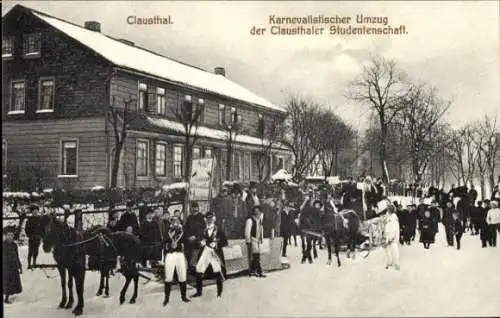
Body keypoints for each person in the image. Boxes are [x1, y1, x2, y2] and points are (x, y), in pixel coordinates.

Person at [193, 212, 228, 298]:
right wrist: (200, 243)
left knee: (217, 270)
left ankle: (219, 293)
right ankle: (199, 292)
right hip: (205, 251)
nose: (209, 220)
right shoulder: (202, 231)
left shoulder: (219, 231)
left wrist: (216, 245)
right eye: (207, 219)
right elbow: (198, 241)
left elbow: (225, 242)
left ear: (214, 219)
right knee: (199, 269)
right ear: (205, 220)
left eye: (211, 218)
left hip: (214, 252)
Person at [162, 216, 190, 306]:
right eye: (173, 221)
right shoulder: (168, 231)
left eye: (177, 220)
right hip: (170, 255)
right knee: (168, 276)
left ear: (179, 221)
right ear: (171, 222)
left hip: (180, 254)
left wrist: (182, 245)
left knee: (182, 275)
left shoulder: (183, 231)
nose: (175, 222)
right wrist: (170, 245)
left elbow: (186, 242)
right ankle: (166, 298)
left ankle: (184, 296)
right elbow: (163, 243)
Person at [184, 202, 206, 272]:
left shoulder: (201, 217)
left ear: (198, 208)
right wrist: (188, 236)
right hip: (190, 240)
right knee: (188, 253)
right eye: (193, 208)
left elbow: (203, 228)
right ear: (191, 208)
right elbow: (186, 228)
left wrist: (196, 236)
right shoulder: (189, 217)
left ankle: (197, 268)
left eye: (196, 207)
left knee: (197, 253)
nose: (194, 209)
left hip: (198, 239)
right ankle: (191, 268)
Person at [3, 226, 22, 304]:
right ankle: (6, 298)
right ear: (5, 236)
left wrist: (19, 265)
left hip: (13, 265)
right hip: (5, 266)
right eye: (8, 235)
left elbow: (17, 256)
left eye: (11, 235)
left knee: (13, 281)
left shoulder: (14, 245)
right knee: (7, 281)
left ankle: (9, 295)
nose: (10, 237)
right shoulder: (3, 245)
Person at [245, 206, 266, 277]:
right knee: (256, 255)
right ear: (253, 212)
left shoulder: (259, 220)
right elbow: (247, 231)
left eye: (258, 211)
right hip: (252, 238)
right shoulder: (250, 220)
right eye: (256, 211)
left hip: (257, 239)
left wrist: (261, 239)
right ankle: (259, 271)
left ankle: (253, 270)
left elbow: (261, 230)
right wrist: (248, 241)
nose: (257, 212)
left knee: (255, 255)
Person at [25, 204, 43, 269]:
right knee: (30, 251)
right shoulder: (29, 220)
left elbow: (42, 229)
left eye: (36, 211)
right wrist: (29, 236)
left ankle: (34, 263)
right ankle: (29, 264)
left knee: (36, 251)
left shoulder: (40, 219)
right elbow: (26, 229)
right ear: (32, 212)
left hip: (37, 238)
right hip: (31, 238)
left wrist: (41, 236)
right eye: (34, 211)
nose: (35, 212)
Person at [384, 205, 400, 270]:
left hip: (392, 237)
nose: (387, 210)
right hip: (388, 236)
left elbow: (394, 229)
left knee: (394, 250)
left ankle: (397, 264)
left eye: (388, 209)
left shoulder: (394, 217)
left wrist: (391, 238)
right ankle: (389, 262)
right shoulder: (389, 217)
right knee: (388, 251)